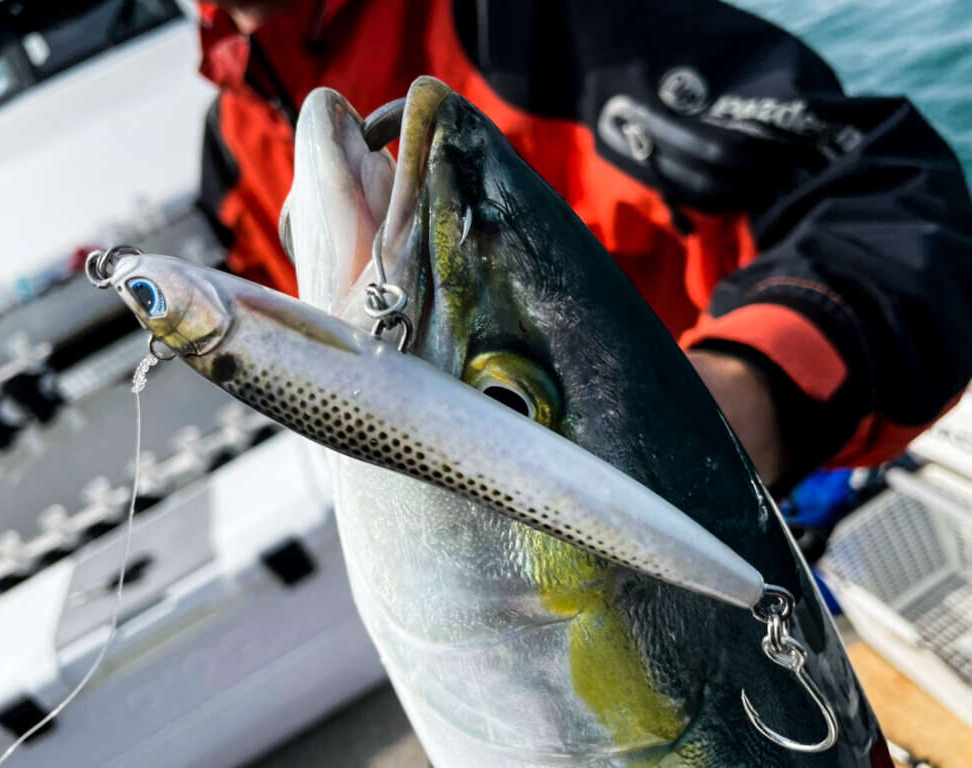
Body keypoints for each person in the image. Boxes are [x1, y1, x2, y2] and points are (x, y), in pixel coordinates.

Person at [194, 0, 972, 492]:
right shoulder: (230, 150)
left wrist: (726, 415)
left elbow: (883, 196)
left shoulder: (522, 24)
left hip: (741, 508)